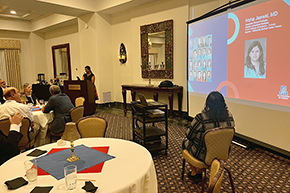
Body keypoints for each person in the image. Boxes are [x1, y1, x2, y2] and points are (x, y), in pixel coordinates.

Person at [182, 91, 235, 182]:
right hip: (222, 153)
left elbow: (189, 136)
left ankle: (196, 172)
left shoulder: (201, 118)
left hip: (203, 155)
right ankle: (200, 170)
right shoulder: (229, 117)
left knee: (185, 142)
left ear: (207, 104)